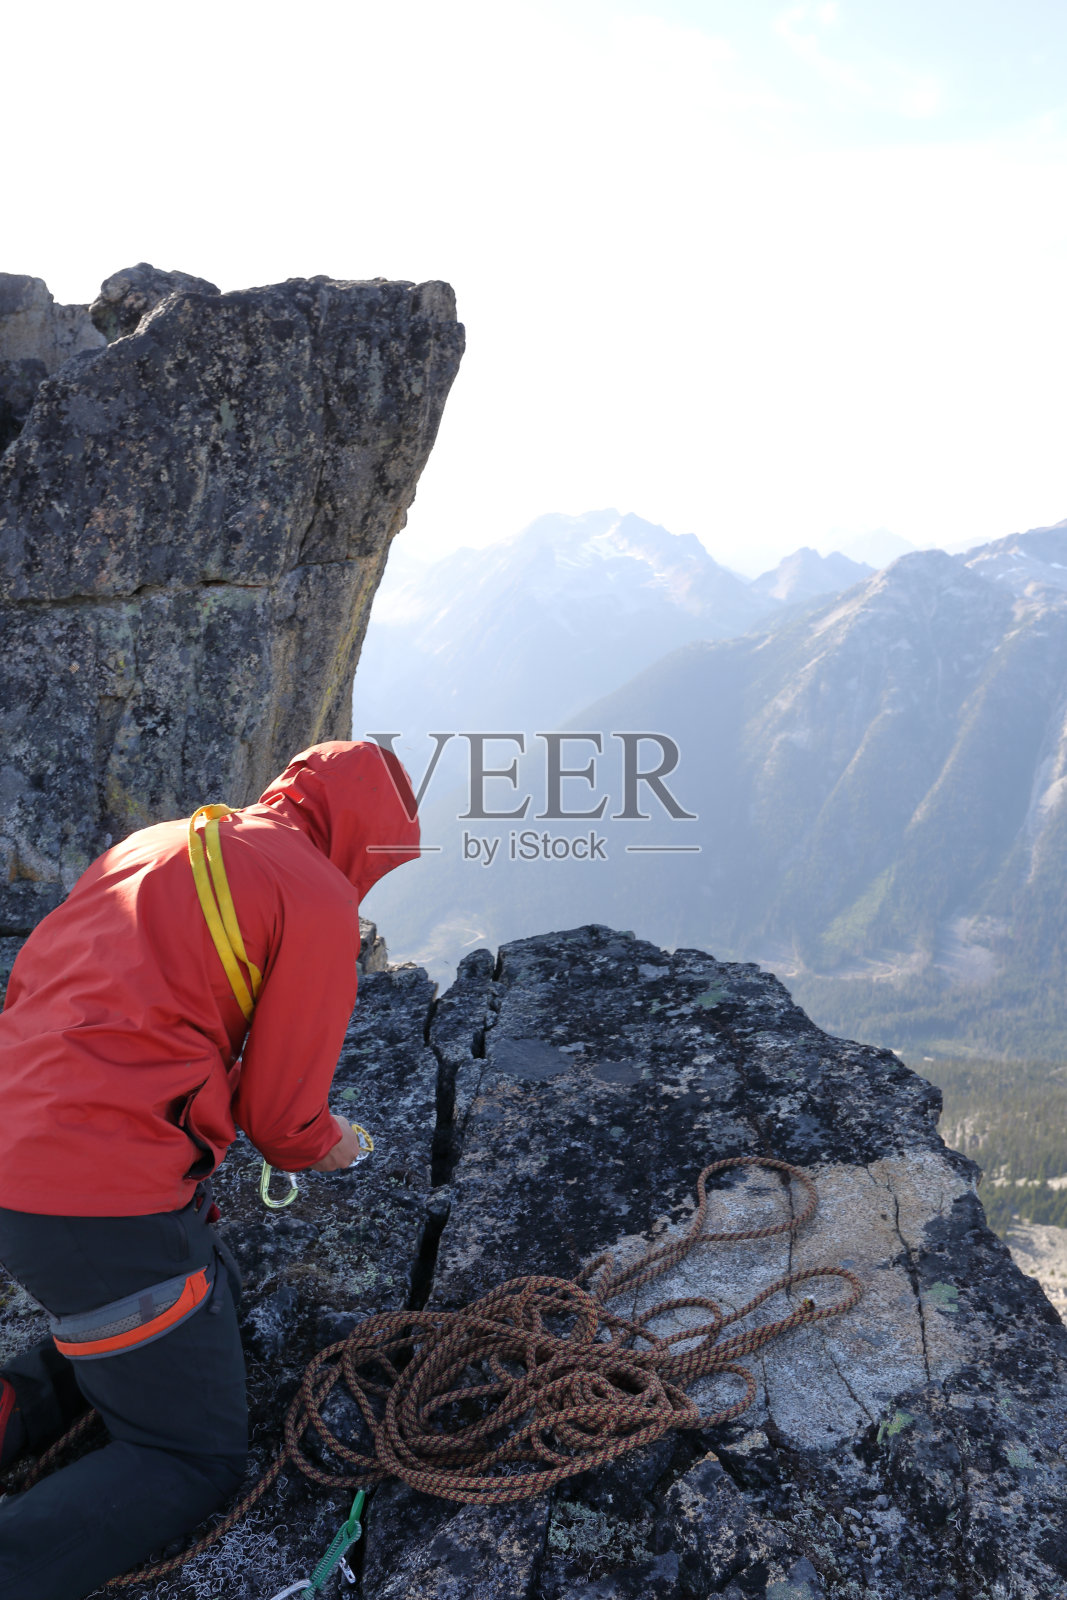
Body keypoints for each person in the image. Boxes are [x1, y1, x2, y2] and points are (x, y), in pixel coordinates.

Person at [0, 739, 420, 1600]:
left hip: (23, 1151)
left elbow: (36, 985)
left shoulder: (155, 845)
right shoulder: (312, 893)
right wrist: (345, 1144)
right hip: (99, 1192)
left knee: (141, 1318)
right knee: (188, 1455)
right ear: (364, 838)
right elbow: (285, 1120)